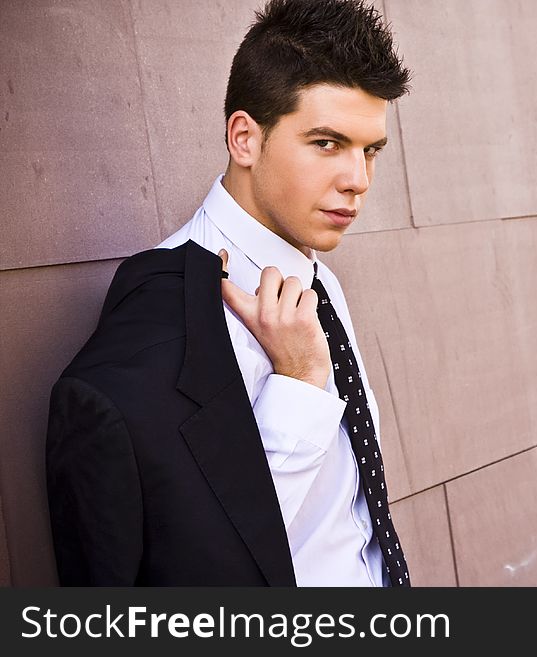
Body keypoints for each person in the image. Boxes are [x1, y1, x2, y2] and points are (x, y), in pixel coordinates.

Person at [45, 0, 411, 586]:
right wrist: (296, 385)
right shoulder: (163, 325)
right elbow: (190, 577)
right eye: (326, 143)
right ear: (244, 138)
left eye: (369, 150)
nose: (358, 180)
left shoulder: (318, 279)